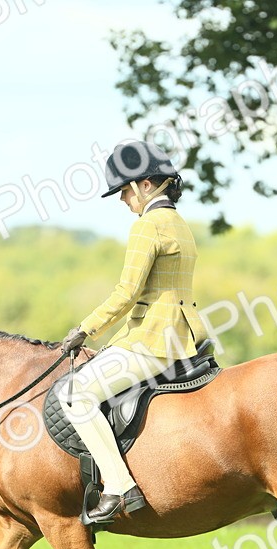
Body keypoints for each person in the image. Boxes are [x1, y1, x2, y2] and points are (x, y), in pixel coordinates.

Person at [57, 140, 210, 524]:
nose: (122, 199)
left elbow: (127, 293)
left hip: (154, 342)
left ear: (145, 184)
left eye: (124, 190)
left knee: (76, 395)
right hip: (184, 337)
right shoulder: (179, 224)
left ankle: (118, 486)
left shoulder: (147, 225)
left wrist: (84, 329)